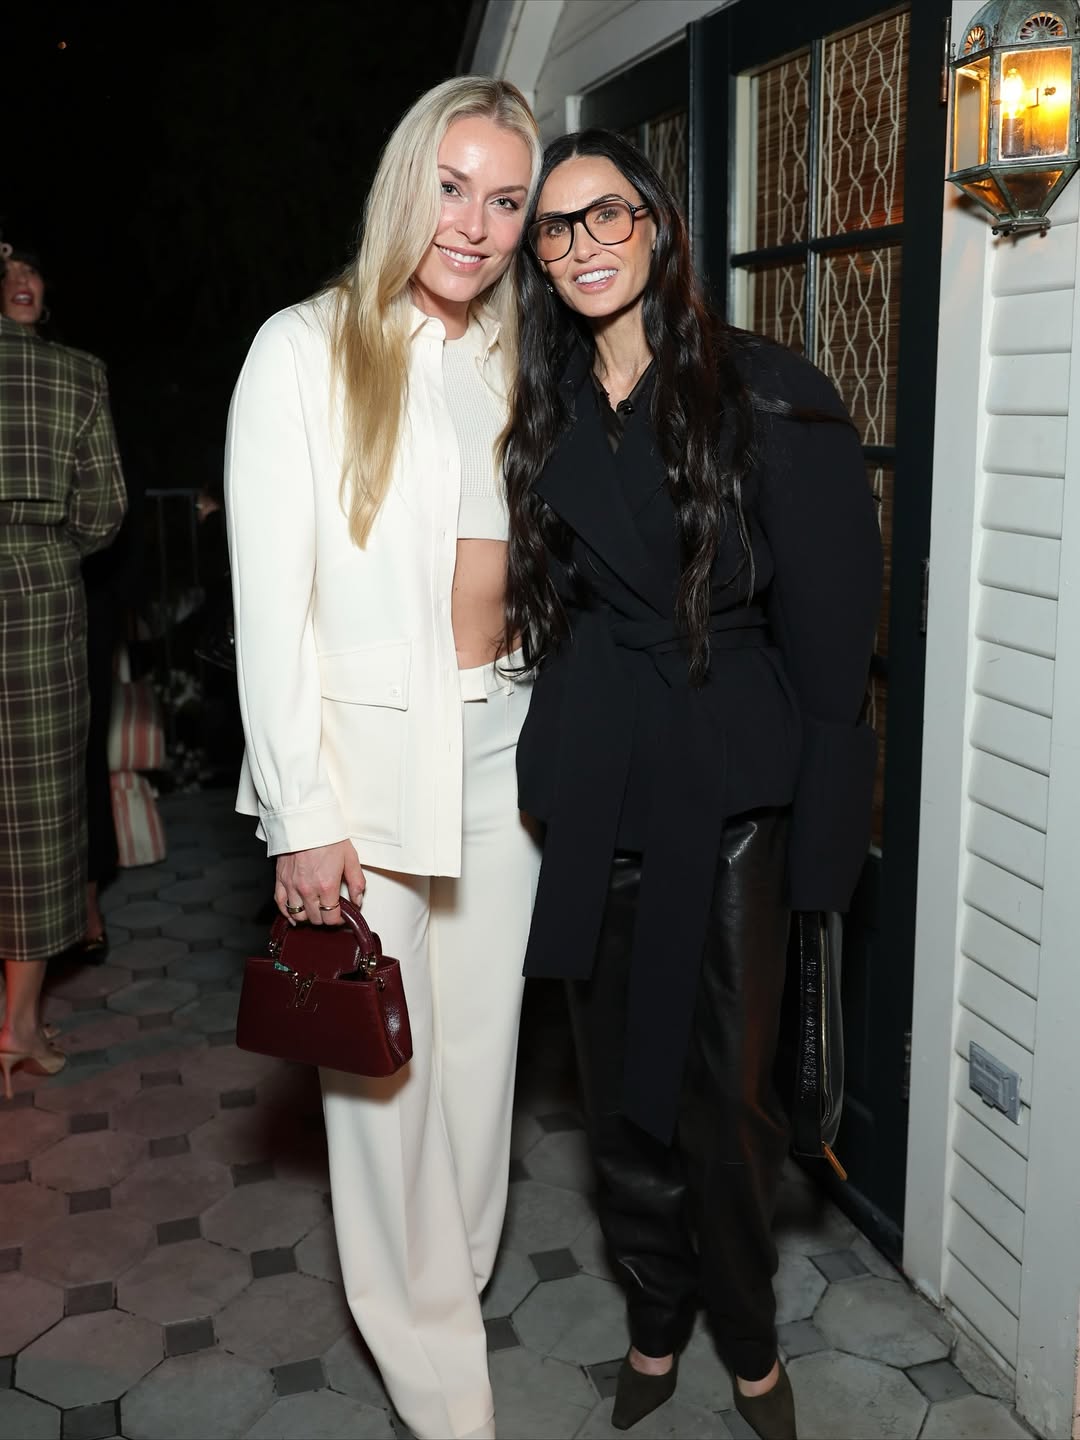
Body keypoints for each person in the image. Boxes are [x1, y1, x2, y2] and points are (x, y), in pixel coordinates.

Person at [502, 131, 882, 1440]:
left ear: (657, 224)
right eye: (556, 228)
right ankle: (655, 1314)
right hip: (601, 777)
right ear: (541, 260)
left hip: (727, 796)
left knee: (724, 1100)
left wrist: (825, 847)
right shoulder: (545, 406)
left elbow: (832, 641)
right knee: (617, 1097)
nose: (583, 244)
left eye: (606, 213)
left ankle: (750, 1340)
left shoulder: (765, 393)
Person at [224, 78, 542, 1440]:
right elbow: (270, 610)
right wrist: (303, 815)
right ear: (406, 182)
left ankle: (449, 1293)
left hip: (505, 755)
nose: (474, 224)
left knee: (478, 1068)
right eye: (452, 186)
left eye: (506, 200)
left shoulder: (514, 362)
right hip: (365, 779)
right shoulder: (303, 350)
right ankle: (445, 1394)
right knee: (381, 1089)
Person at [0, 237, 127, 1092]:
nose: (23, 281)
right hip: (39, 601)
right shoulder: (76, 375)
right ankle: (18, 1027)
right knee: (37, 813)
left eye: (31, 269)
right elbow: (105, 511)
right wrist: (41, 550)